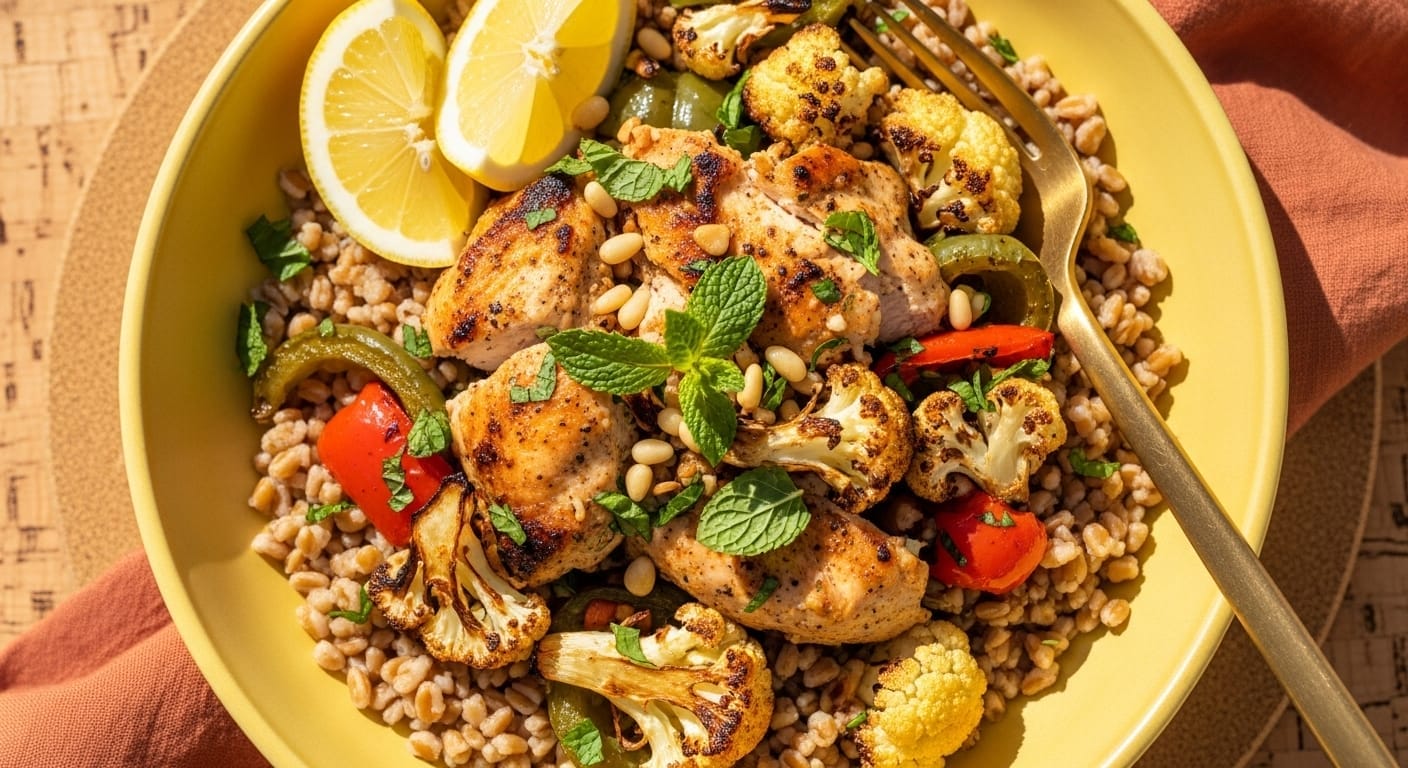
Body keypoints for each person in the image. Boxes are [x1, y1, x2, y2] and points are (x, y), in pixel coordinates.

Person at [1, 0, 1405, 765]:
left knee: (817, 320)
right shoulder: (580, 369)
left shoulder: (760, 268)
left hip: (777, 318)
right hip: (671, 380)